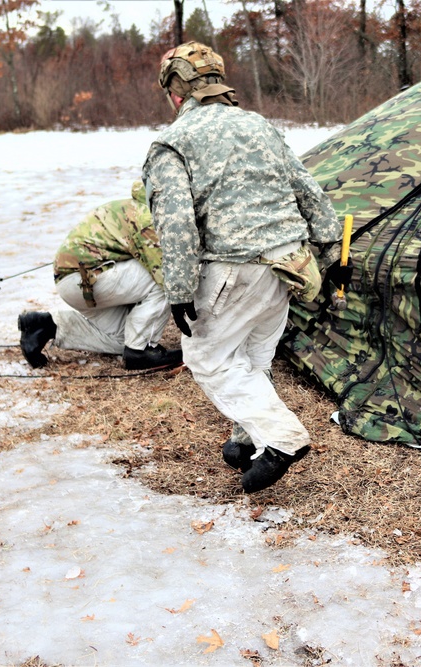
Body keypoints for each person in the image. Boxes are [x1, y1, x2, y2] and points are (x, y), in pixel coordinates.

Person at [142, 41, 348, 493]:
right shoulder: (259, 126)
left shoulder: (172, 143)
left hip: (233, 269)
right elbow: (308, 190)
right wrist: (333, 256)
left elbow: (176, 224)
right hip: (288, 265)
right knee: (254, 358)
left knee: (209, 359)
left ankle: (282, 439)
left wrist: (178, 289)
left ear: (176, 93)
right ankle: (246, 441)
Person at [18, 181, 182, 371]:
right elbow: (165, 274)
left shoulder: (133, 206)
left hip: (74, 283)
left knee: (123, 340)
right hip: (87, 280)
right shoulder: (146, 218)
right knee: (169, 278)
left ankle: (46, 325)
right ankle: (141, 351)